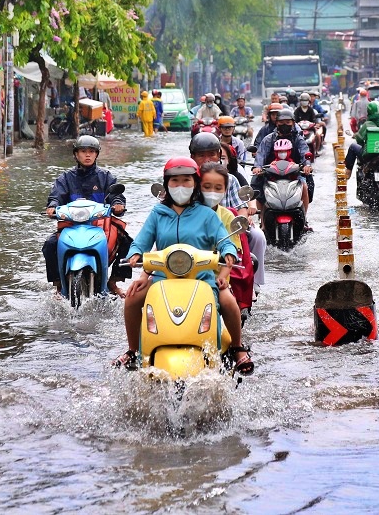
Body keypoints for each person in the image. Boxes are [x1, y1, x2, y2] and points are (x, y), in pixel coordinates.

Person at [116, 157, 253, 374]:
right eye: (175, 181)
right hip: (163, 278)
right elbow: (142, 241)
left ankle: (237, 347)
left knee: (228, 300)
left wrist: (227, 252)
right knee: (132, 298)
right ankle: (134, 350)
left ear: (195, 183)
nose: (180, 186)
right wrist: (134, 253)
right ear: (167, 184)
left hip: (202, 278)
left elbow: (224, 239)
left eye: (186, 181)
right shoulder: (157, 214)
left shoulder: (206, 214)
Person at [43, 135, 129, 294]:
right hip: (71, 225)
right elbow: (56, 195)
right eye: (83, 151)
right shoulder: (66, 178)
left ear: (97, 154)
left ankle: (113, 282)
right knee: (49, 245)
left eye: (91, 151)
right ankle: (58, 285)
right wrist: (52, 206)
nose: (87, 155)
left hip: (101, 226)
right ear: (76, 154)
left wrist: (118, 204)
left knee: (128, 242)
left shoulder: (106, 176)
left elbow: (115, 195)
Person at [190, 132, 268, 293]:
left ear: (219, 155)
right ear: (193, 157)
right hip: (193, 229)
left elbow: (241, 207)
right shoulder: (187, 179)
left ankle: (253, 282)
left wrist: (240, 220)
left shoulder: (230, 178)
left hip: (228, 228)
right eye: (201, 155)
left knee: (258, 236)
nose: (207, 159)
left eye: (211, 154)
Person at [253, 108, 313, 218]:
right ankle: (262, 219)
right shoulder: (268, 139)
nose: (284, 124)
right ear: (276, 123)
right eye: (281, 122)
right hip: (271, 173)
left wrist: (307, 165)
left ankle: (303, 217)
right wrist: (258, 167)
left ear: (293, 123)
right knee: (259, 189)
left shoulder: (298, 139)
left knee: (304, 186)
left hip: (294, 173)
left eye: (287, 122)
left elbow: (305, 152)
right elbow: (261, 154)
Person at [344, 100, 379, 176]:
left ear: (369, 112)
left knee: (352, 147)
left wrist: (357, 136)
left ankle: (348, 171)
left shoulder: (367, 124)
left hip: (369, 155)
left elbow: (359, 140)